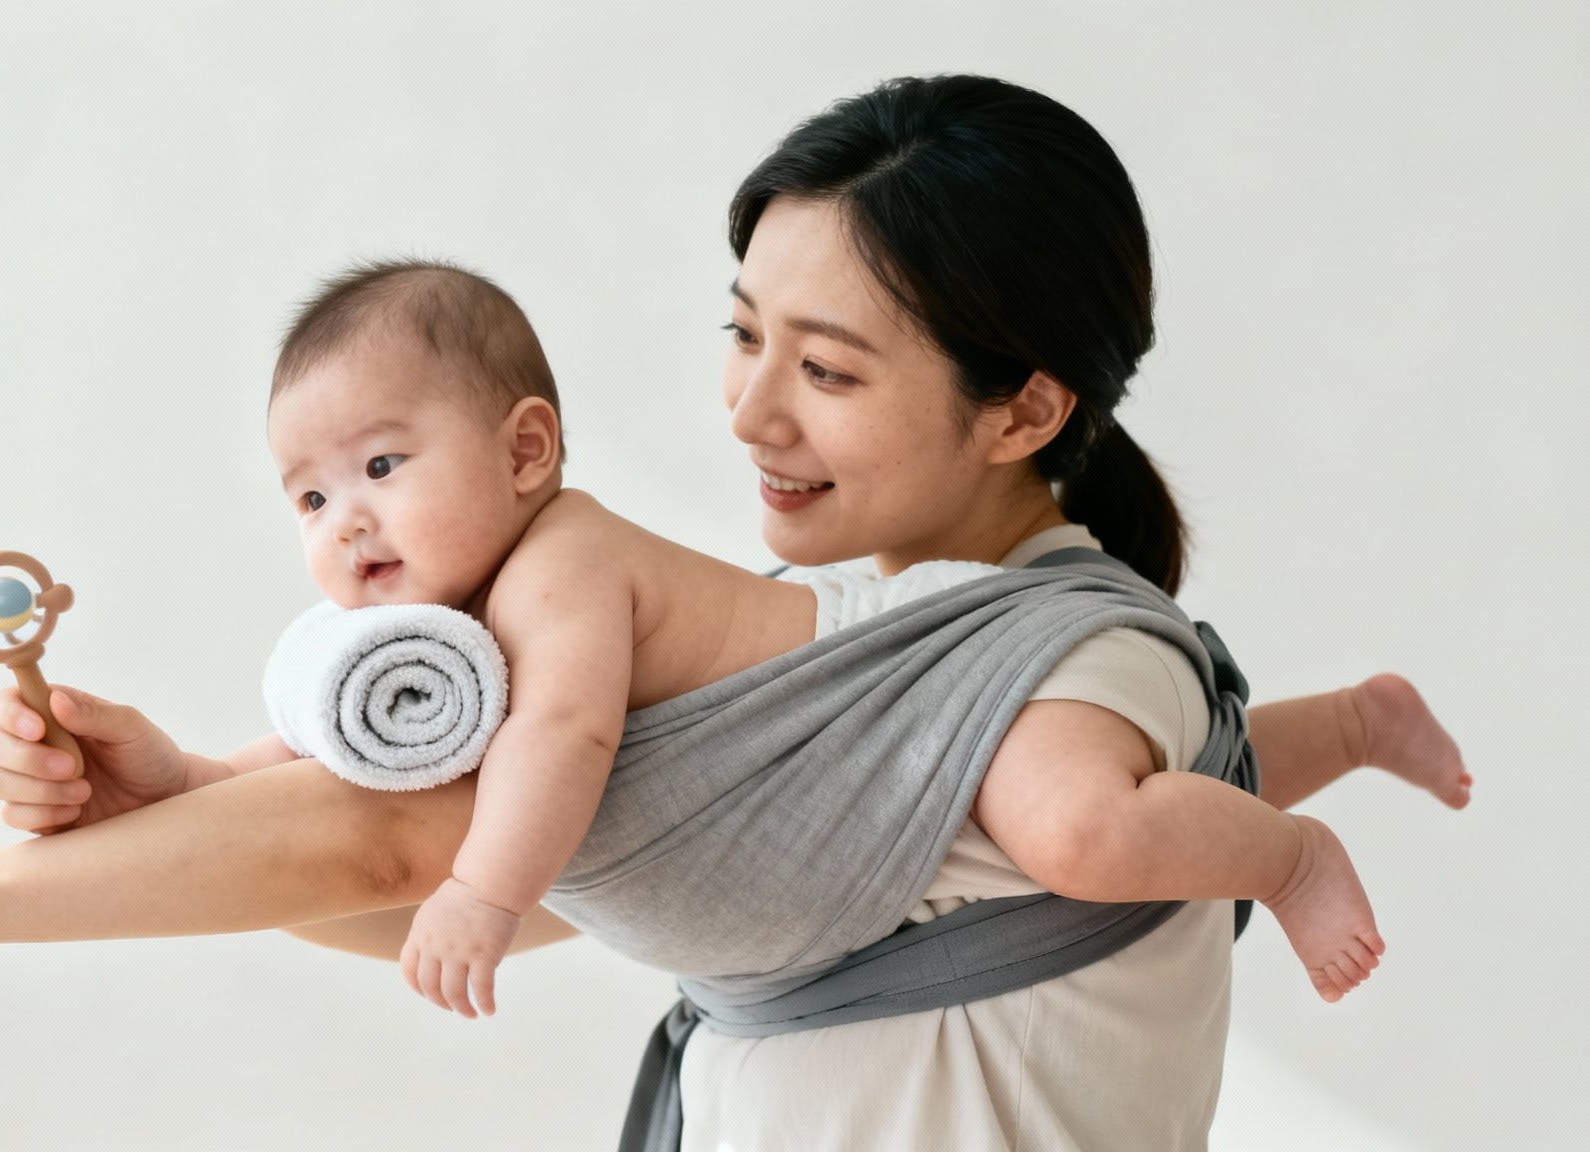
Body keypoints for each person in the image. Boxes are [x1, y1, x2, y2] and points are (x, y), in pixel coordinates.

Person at [0, 75, 1469, 1147]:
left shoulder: (1050, 671)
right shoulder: (840, 641)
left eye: (824, 367)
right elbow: (460, 897)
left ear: (1022, 410)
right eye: (740, 334)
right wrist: (179, 802)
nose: (748, 416)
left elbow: (395, 832)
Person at [247, 255, 1439, 1020]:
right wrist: (177, 777)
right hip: (834, 778)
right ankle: (1349, 721)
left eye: (383, 466)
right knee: (1088, 796)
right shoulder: (434, 646)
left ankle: (1288, 857)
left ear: (523, 451)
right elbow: (330, 758)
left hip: (879, 669)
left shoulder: (559, 564)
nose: (346, 518)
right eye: (308, 497)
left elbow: (564, 730)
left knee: (1073, 824)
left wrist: (480, 894)